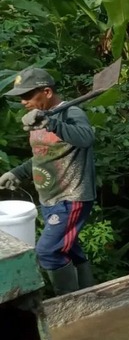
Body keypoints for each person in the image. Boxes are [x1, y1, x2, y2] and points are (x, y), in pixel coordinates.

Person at [0, 68, 96, 295]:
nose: (23, 102)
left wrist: (50, 124)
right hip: (50, 197)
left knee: (48, 251)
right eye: (20, 97)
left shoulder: (70, 113)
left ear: (47, 92)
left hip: (70, 196)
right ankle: (91, 295)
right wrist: (17, 173)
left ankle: (70, 304)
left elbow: (86, 138)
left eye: (28, 96)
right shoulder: (39, 117)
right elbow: (43, 156)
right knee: (69, 248)